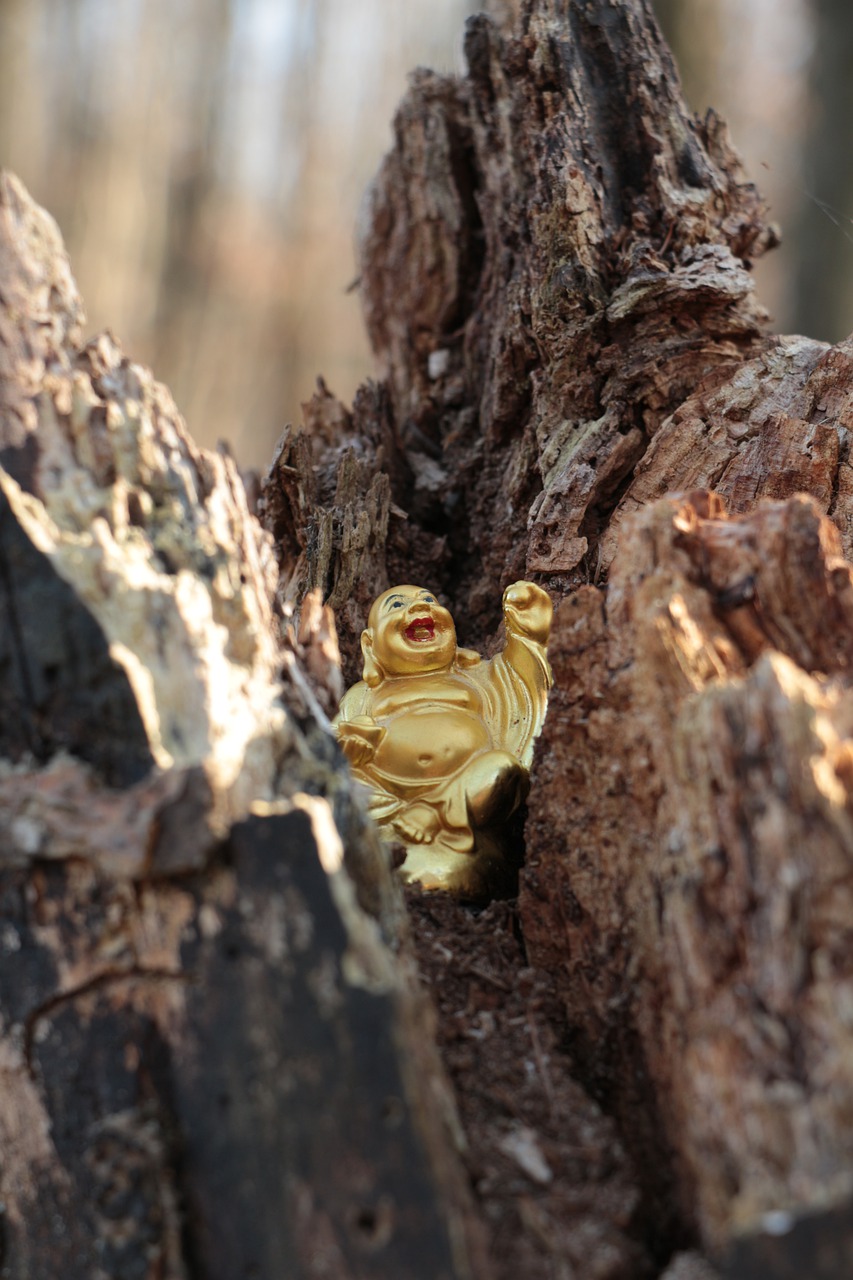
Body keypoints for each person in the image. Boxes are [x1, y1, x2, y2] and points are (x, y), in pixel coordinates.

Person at [334, 581, 552, 897]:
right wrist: (349, 749)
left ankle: (436, 813)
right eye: (396, 605)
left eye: (429, 600)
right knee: (351, 803)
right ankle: (401, 846)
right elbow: (327, 748)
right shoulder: (364, 695)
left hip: (468, 800)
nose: (420, 607)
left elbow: (519, 683)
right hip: (390, 803)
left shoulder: (475, 679)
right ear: (370, 644)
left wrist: (528, 636)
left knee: (503, 768)